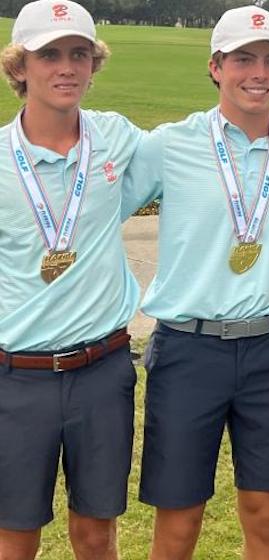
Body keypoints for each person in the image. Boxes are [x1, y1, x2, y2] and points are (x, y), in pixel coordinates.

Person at [120, 6, 269, 560]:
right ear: (215, 67)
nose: (259, 72)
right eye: (243, 60)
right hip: (188, 348)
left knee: (264, 516)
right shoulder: (171, 144)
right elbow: (97, 211)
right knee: (179, 519)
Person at [0, 1, 143, 558]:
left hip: (102, 372)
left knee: (95, 532)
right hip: (18, 378)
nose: (66, 67)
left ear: (93, 64)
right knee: (15, 537)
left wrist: (268, 118)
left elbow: (197, 144)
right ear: (19, 67)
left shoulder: (116, 137)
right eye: (50, 55)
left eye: (79, 54)